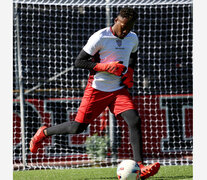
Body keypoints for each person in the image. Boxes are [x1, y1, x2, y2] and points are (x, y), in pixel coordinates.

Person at [29, 7, 160, 179]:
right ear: (116, 21)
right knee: (78, 127)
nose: (126, 31)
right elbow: (79, 62)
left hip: (118, 89)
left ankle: (140, 166)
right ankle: (44, 132)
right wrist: (103, 67)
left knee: (134, 120)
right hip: (97, 89)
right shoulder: (100, 37)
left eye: (130, 27)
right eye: (123, 27)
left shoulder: (132, 38)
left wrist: (129, 73)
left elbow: (133, 55)